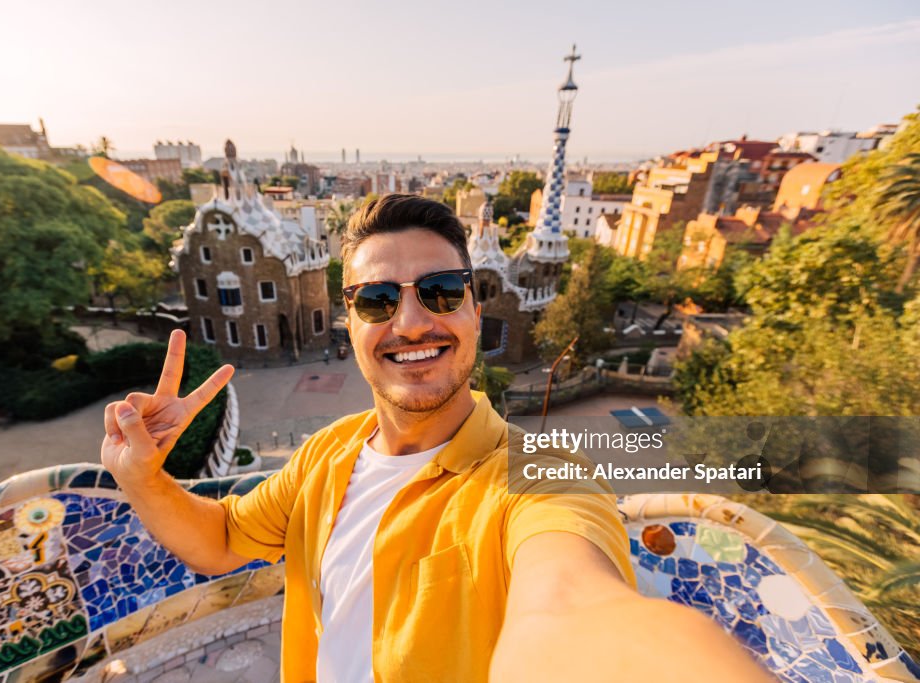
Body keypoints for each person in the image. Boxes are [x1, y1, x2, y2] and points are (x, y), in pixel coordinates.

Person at [102, 195, 772, 682]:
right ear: (350, 324)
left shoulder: (539, 478)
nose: (412, 321)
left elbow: (571, 604)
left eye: (443, 290)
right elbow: (219, 538)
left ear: (477, 309)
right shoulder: (327, 454)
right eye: (376, 300)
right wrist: (143, 476)